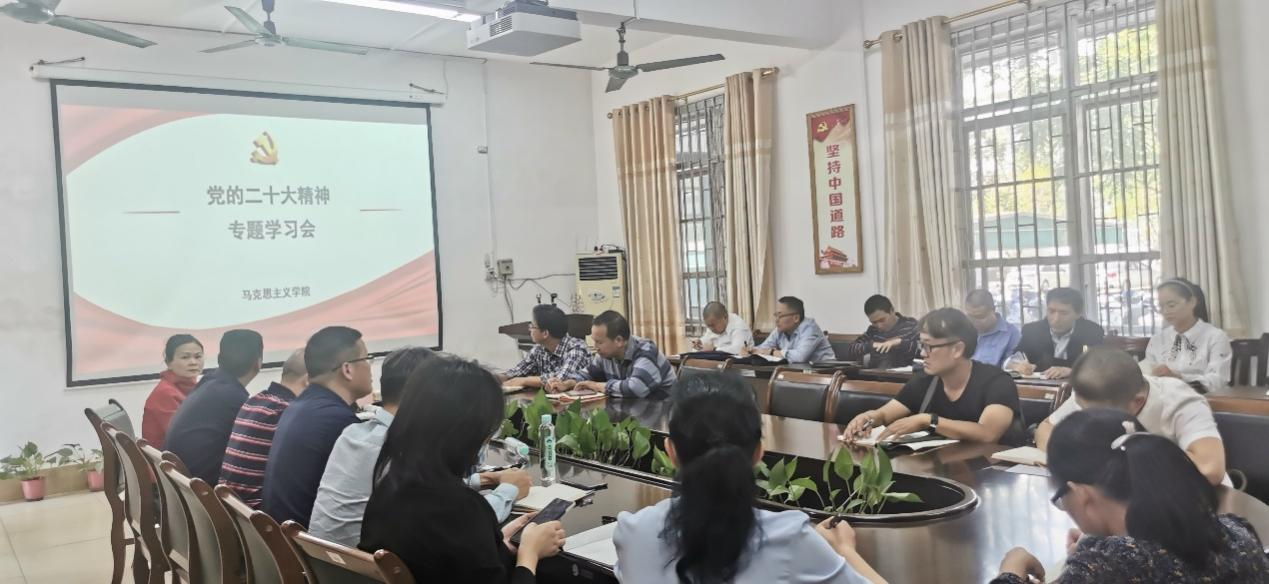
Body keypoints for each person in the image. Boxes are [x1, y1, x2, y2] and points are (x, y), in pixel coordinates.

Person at [614, 373, 885, 584]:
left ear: (670, 452)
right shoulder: (791, 539)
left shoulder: (632, 532)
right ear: (758, 452)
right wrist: (844, 549)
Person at [991, 409, 1269, 583]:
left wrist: (1011, 571)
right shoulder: (1237, 531)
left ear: (1083, 496)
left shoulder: (1107, 566)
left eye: (1062, 499)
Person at [360, 357, 566, 583]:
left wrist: (495, 540)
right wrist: (530, 553)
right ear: (467, 433)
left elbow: (453, 559)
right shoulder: (461, 509)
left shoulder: (387, 488)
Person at [310, 347, 532, 547]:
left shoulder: (353, 433)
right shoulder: (397, 448)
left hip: (328, 564)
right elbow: (455, 523)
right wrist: (507, 491)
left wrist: (482, 480)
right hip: (374, 566)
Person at [1035, 346, 1228, 486]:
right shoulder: (1091, 393)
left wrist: (1120, 460)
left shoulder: (1179, 401)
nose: (1089, 419)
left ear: (1137, 401)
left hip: (1192, 502)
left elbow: (1210, 469)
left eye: (1100, 414)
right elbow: (1045, 429)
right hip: (1121, 500)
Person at [843, 308, 1025, 446]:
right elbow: (884, 414)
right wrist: (867, 417)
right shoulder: (924, 380)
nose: (923, 354)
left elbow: (987, 434)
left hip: (990, 474)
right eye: (921, 345)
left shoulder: (997, 381)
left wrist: (929, 420)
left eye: (929, 346)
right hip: (940, 468)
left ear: (957, 349)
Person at [262, 326, 374, 526]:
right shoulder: (338, 421)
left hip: (284, 534)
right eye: (367, 359)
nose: (370, 366)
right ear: (347, 369)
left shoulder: (300, 406)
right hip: (307, 540)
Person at [163, 330, 263, 485]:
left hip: (183, 486)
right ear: (258, 362)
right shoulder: (233, 397)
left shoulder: (210, 381)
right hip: (203, 490)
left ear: (219, 358)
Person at [218, 349, 307, 509]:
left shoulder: (254, 401)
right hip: (260, 513)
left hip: (234, 508)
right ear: (307, 381)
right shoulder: (285, 410)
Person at [1139, 278, 1232, 393]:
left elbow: (1218, 381)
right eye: (1161, 307)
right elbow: (1147, 373)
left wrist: (1179, 378)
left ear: (1192, 302)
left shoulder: (1215, 337)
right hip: (1163, 398)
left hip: (1202, 399)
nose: (1165, 311)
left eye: (1171, 305)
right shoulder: (1158, 340)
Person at [566, 310, 677, 399]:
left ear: (619, 340)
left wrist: (596, 385)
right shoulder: (605, 354)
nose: (596, 347)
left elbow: (636, 388)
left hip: (663, 410)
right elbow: (588, 374)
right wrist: (569, 383)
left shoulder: (645, 351)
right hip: (632, 410)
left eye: (599, 342)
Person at [1010, 288, 1105, 379]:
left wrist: (1072, 371)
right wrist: (1017, 365)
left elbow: (1100, 367)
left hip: (1076, 386)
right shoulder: (1032, 330)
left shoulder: (1092, 331)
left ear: (1078, 314)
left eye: (1064, 313)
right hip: (1037, 386)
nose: (1056, 319)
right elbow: (1012, 359)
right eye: (1051, 311)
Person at [500, 304, 590, 391]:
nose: (529, 329)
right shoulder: (539, 349)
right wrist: (496, 378)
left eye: (532, 326)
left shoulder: (577, 348)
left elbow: (561, 379)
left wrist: (525, 381)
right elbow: (517, 372)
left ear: (545, 333)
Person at [141, 334, 205, 447]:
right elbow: (185, 437)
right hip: (170, 456)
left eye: (198, 356)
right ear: (169, 363)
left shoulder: (191, 387)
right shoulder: (165, 393)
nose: (193, 362)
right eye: (185, 357)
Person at [841, 295, 920, 368]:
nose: (879, 326)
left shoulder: (911, 325)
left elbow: (920, 350)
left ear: (892, 310)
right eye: (874, 322)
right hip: (877, 374)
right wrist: (872, 345)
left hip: (905, 375)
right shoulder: (873, 330)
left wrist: (899, 342)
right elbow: (851, 349)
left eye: (882, 320)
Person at [752, 296, 835, 363]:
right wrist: (750, 350)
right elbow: (763, 349)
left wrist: (772, 352)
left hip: (824, 373)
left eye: (780, 316)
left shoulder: (810, 328)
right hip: (796, 372)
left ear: (796, 318)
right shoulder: (779, 330)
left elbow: (800, 357)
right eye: (776, 315)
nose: (776, 320)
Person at [964, 290, 1021, 368]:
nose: (974, 321)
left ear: (993, 310)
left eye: (980, 317)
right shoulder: (962, 331)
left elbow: (1014, 366)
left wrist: (1011, 365)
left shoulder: (1011, 334)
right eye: (970, 316)